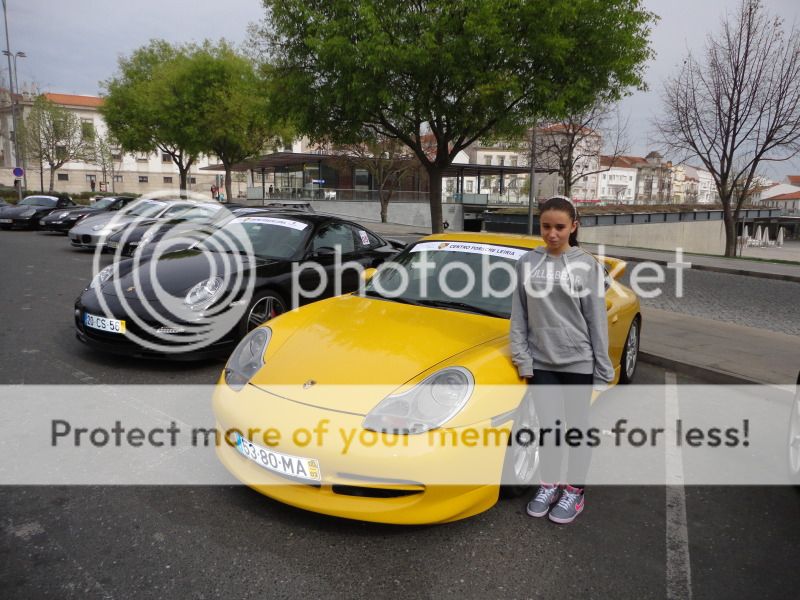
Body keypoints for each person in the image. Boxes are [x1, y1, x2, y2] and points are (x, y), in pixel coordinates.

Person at [509, 196, 614, 524]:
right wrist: (523, 359)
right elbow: (519, 316)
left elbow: (596, 319)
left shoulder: (586, 265)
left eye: (559, 227)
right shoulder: (527, 262)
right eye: (545, 226)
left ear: (574, 227)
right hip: (542, 363)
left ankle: (574, 491)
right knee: (550, 430)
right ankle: (549, 484)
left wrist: (602, 368)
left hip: (577, 362)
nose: (552, 234)